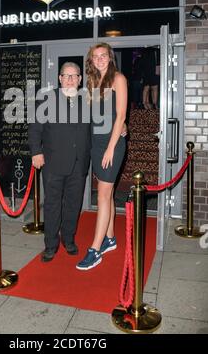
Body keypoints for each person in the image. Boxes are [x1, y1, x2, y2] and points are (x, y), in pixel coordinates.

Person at [28, 62, 91, 262]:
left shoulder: (88, 100)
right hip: (53, 163)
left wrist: (121, 126)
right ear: (60, 78)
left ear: (80, 80)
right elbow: (35, 128)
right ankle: (50, 244)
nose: (70, 79)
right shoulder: (47, 99)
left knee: (74, 204)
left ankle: (69, 239)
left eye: (74, 76)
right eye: (66, 75)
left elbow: (96, 129)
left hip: (79, 163)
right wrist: (36, 152)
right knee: (52, 205)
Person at [76, 42, 127, 270]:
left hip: (111, 144)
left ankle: (95, 250)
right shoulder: (92, 82)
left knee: (103, 196)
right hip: (96, 144)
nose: (100, 59)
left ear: (110, 57)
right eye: (95, 56)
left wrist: (110, 148)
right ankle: (110, 239)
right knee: (108, 192)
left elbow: (120, 116)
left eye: (103, 55)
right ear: (91, 60)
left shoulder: (118, 79)